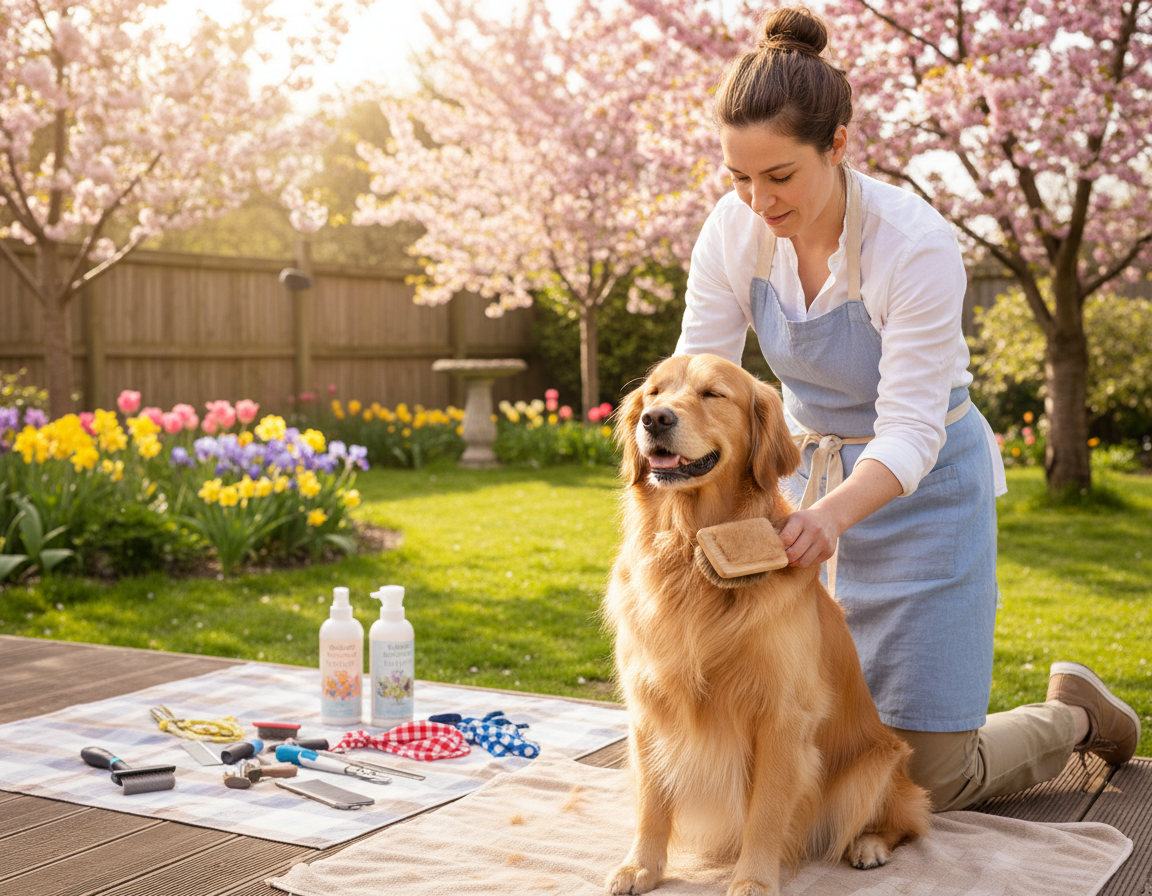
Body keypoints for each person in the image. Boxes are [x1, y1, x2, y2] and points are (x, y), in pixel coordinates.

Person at [675, 5, 1140, 810]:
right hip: (815, 491)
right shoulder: (734, 230)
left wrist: (828, 522)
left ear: (839, 145)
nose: (758, 200)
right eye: (739, 177)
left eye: (780, 175)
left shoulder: (912, 243)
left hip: (923, 491)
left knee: (925, 774)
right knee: (811, 736)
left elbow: (914, 428)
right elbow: (696, 373)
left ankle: (1073, 717)